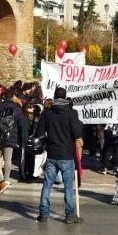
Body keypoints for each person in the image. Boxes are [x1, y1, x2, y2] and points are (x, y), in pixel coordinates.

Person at [34, 87, 83, 223]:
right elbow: (77, 133)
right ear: (65, 97)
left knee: (47, 184)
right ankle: (69, 214)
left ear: (55, 97)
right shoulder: (71, 113)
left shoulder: (48, 113)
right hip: (67, 153)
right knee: (68, 186)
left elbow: (39, 132)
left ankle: (44, 213)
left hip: (52, 152)